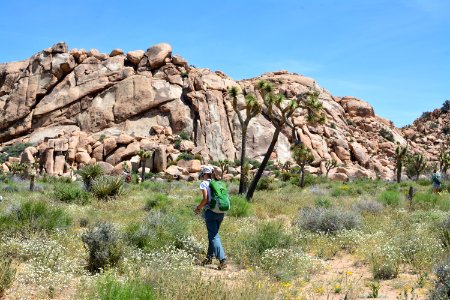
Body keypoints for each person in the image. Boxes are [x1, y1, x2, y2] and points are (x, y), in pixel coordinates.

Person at [195, 166, 227, 270]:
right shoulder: (217, 182)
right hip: (221, 212)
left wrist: (198, 208)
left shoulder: (204, 183)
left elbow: (205, 199)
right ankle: (209, 258)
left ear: (204, 174)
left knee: (214, 236)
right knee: (212, 235)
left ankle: (222, 260)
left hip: (211, 212)